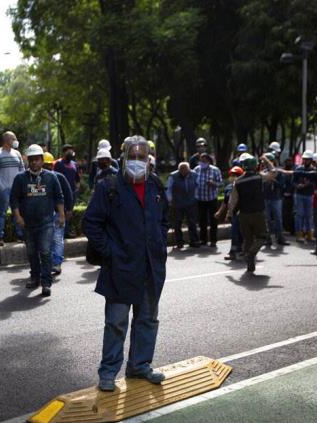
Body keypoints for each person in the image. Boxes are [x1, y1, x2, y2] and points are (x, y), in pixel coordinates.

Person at [82, 136, 169, 392]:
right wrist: (110, 252)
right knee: (116, 323)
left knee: (148, 320)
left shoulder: (155, 185)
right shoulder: (108, 186)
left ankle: (140, 366)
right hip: (119, 269)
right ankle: (108, 371)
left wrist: (159, 244)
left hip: (151, 268)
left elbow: (164, 219)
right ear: (123, 158)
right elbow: (91, 223)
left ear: (149, 160)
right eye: (133, 156)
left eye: (142, 157)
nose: (137, 161)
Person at [11, 144, 65, 296]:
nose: (34, 162)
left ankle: (46, 283)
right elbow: (14, 199)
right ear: (28, 161)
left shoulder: (51, 177)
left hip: (46, 223)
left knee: (46, 252)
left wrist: (61, 215)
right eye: (32, 159)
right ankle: (34, 277)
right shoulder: (20, 178)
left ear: (42, 160)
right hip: (28, 224)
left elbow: (59, 196)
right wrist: (18, 216)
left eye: (37, 159)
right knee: (31, 253)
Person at [225, 154, 276, 272]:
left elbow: (232, 200)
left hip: (243, 215)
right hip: (258, 213)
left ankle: (249, 265)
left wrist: (229, 214)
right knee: (262, 236)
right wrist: (267, 160)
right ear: (255, 166)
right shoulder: (259, 177)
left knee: (247, 239)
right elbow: (273, 173)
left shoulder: (237, 181)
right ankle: (251, 254)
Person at [0, 131, 25, 245]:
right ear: (6, 140)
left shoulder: (17, 154)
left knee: (18, 213)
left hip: (16, 189)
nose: (15, 141)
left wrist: (21, 185)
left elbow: (22, 170)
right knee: (2, 213)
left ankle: (20, 235)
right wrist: (2, 188)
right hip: (5, 190)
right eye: (13, 138)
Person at [42, 151, 73, 276]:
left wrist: (68, 210)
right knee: (54, 240)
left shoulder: (58, 177)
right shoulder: (41, 177)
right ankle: (53, 264)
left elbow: (68, 194)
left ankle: (56, 263)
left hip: (56, 213)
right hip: (46, 214)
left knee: (56, 239)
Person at [167, 162, 200, 249]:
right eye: (182, 171)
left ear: (189, 170)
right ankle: (179, 241)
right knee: (177, 223)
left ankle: (194, 241)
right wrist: (169, 200)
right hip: (178, 203)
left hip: (191, 202)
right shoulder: (173, 176)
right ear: (179, 170)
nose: (184, 173)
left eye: (186, 171)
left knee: (192, 222)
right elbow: (169, 189)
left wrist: (196, 197)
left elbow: (197, 186)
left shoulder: (194, 175)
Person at [193, 153, 222, 248]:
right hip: (200, 199)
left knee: (213, 220)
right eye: (201, 161)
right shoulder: (196, 169)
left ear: (209, 161)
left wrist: (213, 183)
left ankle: (213, 240)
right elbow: (193, 181)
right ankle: (203, 240)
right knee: (202, 221)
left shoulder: (215, 170)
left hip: (212, 199)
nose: (202, 163)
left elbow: (220, 183)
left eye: (204, 161)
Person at [215, 166, 244, 260]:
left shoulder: (243, 186)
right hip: (233, 214)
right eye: (232, 175)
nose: (233, 177)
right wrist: (220, 212)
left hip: (243, 213)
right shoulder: (228, 187)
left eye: (236, 175)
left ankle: (243, 251)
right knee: (234, 233)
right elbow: (225, 202)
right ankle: (233, 252)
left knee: (242, 233)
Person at [53, 144, 81, 237]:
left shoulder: (74, 164)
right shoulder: (58, 163)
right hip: (61, 192)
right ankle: (59, 232)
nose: (71, 153)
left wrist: (77, 187)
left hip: (72, 193)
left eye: (72, 151)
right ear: (64, 152)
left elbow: (77, 178)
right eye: (69, 151)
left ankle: (66, 231)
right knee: (60, 212)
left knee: (69, 212)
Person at [262, 153, 289, 247]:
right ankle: (267, 238)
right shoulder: (264, 172)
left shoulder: (279, 172)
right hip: (265, 198)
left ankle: (280, 238)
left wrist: (273, 180)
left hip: (276, 198)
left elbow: (282, 185)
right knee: (267, 219)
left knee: (278, 219)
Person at [293, 150, 315, 242]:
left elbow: (315, 182)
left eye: (307, 159)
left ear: (311, 160)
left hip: (309, 195)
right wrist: (297, 186)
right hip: (299, 195)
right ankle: (299, 234)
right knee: (299, 215)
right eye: (304, 159)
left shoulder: (314, 170)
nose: (305, 161)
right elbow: (293, 181)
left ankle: (309, 234)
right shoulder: (298, 169)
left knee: (309, 215)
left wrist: (307, 185)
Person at [281, 157, 296, 235]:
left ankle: (292, 229)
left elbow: (294, 183)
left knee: (292, 213)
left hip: (292, 195)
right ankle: (286, 228)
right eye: (287, 161)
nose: (289, 163)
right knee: (284, 213)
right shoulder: (283, 171)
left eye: (290, 161)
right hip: (284, 195)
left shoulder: (294, 171)